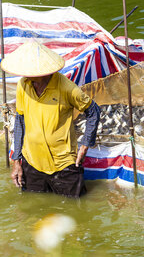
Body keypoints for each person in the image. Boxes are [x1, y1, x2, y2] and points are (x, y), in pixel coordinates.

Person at [2, 40, 101, 198]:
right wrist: (16, 161)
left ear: (44, 71)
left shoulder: (67, 88)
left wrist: (85, 145)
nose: (27, 76)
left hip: (63, 163)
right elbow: (20, 121)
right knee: (32, 207)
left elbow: (94, 111)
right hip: (32, 161)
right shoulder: (23, 85)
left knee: (76, 209)